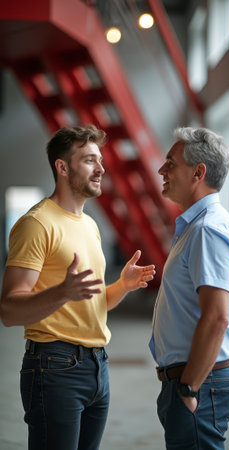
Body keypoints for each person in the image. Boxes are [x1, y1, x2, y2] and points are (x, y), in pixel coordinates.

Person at [0, 124, 155, 450]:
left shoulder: (90, 225)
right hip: (54, 369)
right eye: (88, 160)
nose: (100, 168)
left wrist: (122, 287)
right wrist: (62, 292)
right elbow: (9, 310)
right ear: (62, 166)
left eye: (99, 160)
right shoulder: (36, 224)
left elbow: (94, 303)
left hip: (97, 367)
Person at [149, 127, 229, 450]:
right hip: (194, 381)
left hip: (200, 384)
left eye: (170, 163)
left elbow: (217, 317)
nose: (162, 170)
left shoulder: (208, 230)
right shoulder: (196, 227)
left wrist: (189, 388)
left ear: (198, 172)